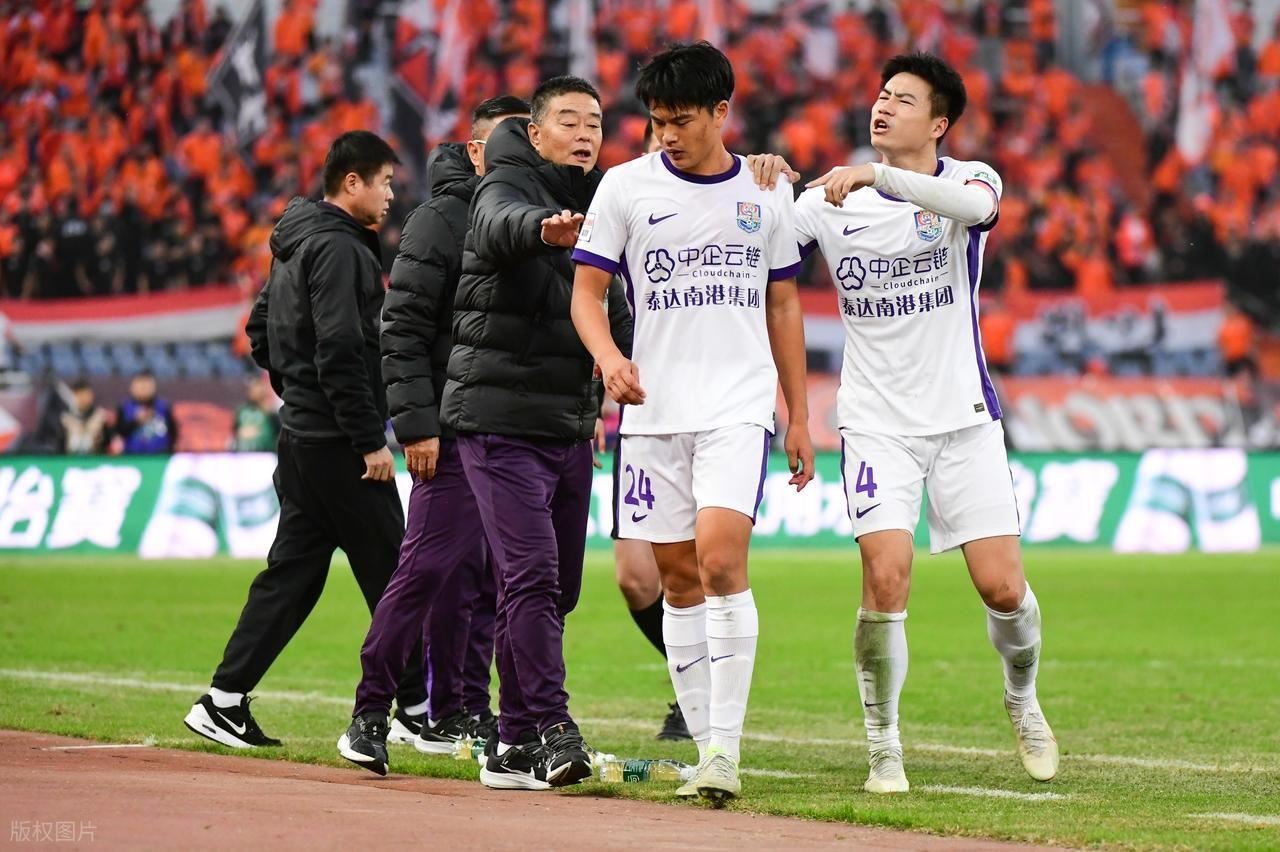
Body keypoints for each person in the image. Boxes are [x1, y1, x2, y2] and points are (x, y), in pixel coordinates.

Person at [795, 52, 1058, 793]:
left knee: (1003, 589)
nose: (882, 106)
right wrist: (757, 179)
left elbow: (977, 212)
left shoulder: (971, 180)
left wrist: (877, 177)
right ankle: (883, 747)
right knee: (886, 578)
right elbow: (758, 245)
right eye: (880, 95)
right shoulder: (828, 200)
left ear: (939, 124)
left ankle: (1022, 697)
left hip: (964, 420)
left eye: (903, 99)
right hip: (876, 424)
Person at [570, 42, 816, 803]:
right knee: (676, 580)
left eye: (681, 120)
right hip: (652, 413)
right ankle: (706, 749)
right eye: (657, 121)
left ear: (720, 112)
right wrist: (610, 358)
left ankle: (726, 753)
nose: (667, 134)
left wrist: (798, 414)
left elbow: (783, 305)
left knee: (720, 563)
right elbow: (586, 294)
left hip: (737, 408)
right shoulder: (625, 187)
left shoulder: (765, 191)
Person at [184, 131, 427, 749]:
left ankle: (224, 700)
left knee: (293, 574)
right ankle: (417, 709)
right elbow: (341, 347)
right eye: (385, 183)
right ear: (353, 182)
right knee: (394, 569)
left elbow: (260, 328)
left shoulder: (295, 240)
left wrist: (296, 391)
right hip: (341, 444)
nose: (391, 196)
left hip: (301, 437)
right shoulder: (342, 248)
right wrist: (367, 437)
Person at [431, 76, 632, 791]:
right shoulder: (505, 180)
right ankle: (552, 726)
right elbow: (497, 224)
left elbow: (615, 308)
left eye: (595, 122)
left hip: (567, 425)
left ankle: (511, 741)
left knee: (558, 588)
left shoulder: (607, 198)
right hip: (499, 421)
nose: (585, 133)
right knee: (533, 576)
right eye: (569, 121)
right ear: (537, 132)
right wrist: (541, 229)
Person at [338, 96, 530, 775]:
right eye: (503, 140)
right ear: (475, 151)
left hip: (517, 431)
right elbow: (403, 327)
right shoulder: (439, 221)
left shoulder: (536, 215)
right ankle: (371, 711)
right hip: (450, 431)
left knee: (499, 582)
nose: (515, 152)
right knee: (425, 572)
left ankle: (468, 709)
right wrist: (417, 425)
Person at [611, 118, 691, 742]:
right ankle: (695, 676)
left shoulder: (714, 208)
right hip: (638, 411)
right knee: (636, 577)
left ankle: (697, 697)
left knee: (700, 568)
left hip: (708, 411)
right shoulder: (617, 210)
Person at [115, 370, 178, 454]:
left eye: (147, 385)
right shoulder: (125, 407)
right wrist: (136, 421)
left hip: (160, 456)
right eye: (140, 385)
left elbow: (173, 432)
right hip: (132, 456)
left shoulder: (163, 407)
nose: (143, 388)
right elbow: (119, 432)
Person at [59, 378, 110, 455]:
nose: (84, 398)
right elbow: (58, 444)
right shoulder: (65, 418)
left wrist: (100, 438)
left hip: (94, 458)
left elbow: (107, 441)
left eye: (87, 395)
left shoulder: (100, 416)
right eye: (81, 395)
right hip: (70, 459)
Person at [230, 376, 280, 452]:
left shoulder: (270, 412)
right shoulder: (242, 411)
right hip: (245, 453)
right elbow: (235, 431)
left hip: (266, 453)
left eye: (259, 389)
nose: (256, 392)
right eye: (253, 389)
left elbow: (277, 432)